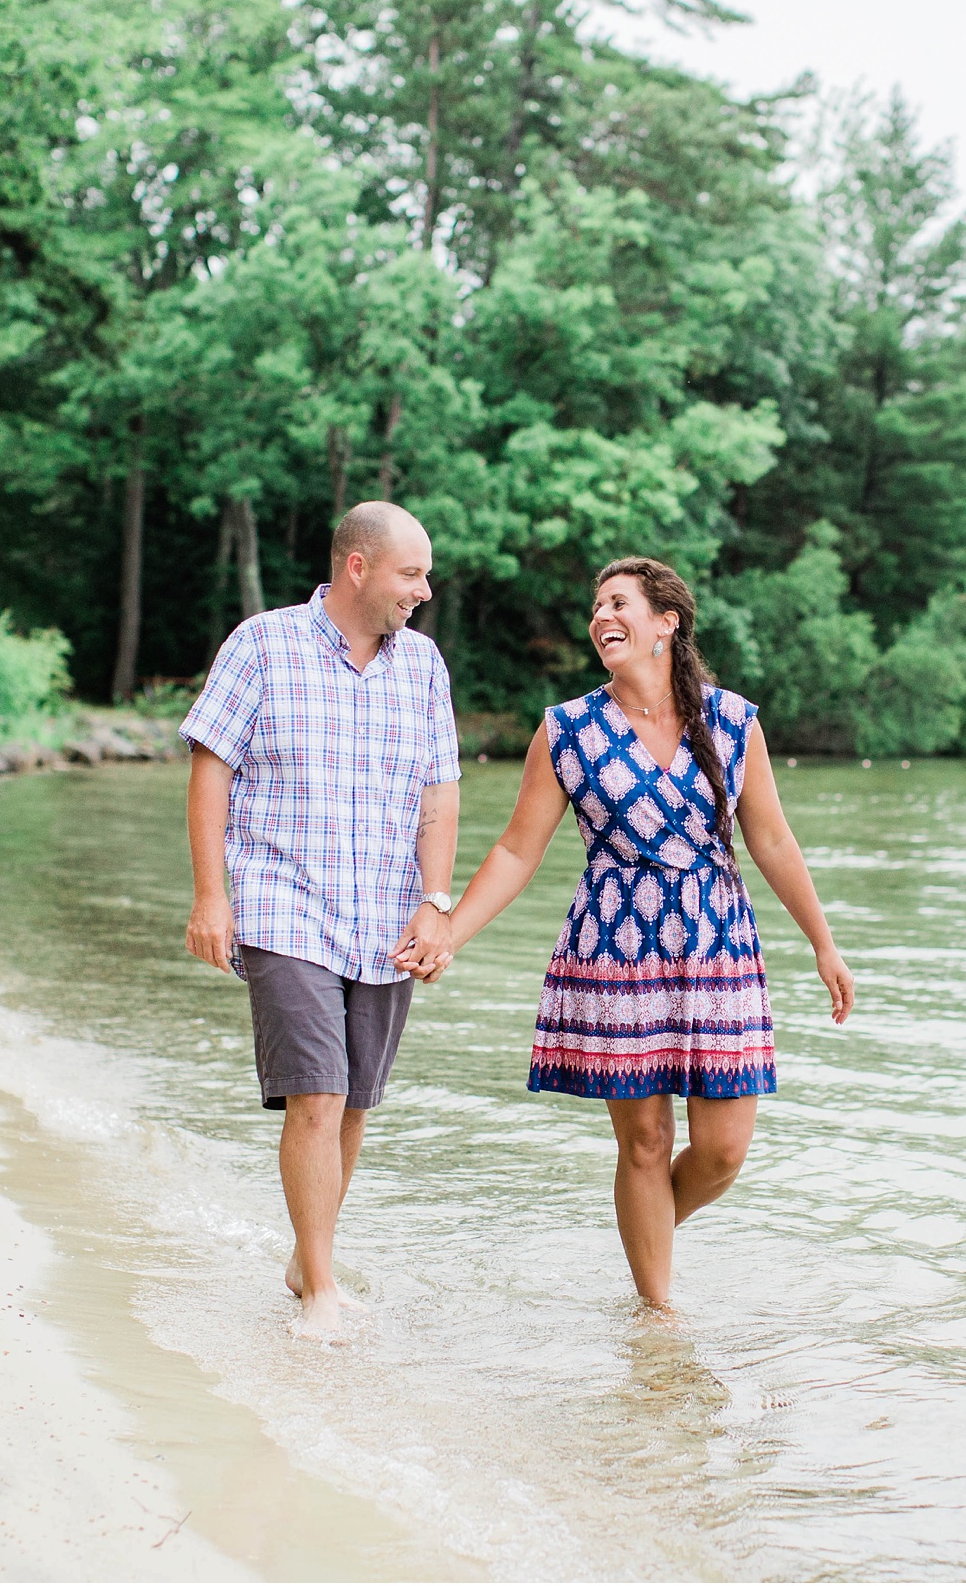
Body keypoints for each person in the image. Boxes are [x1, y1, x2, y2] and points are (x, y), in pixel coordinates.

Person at [400, 556, 854, 1309]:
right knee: (643, 1144)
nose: (600, 617)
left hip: (718, 949)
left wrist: (824, 942)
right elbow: (518, 849)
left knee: (722, 1151)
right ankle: (658, 1316)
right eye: (595, 606)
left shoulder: (734, 720)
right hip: (616, 948)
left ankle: (642, 1238)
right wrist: (450, 927)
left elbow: (772, 839)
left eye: (618, 603)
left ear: (666, 622)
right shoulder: (567, 729)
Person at [181, 501, 461, 1343]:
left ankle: (310, 1257)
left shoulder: (423, 665)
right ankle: (321, 1292)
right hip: (282, 899)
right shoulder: (261, 644)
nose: (425, 590)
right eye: (413, 573)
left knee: (354, 1106)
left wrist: (435, 900)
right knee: (319, 1090)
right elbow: (209, 770)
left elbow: (439, 791)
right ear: (358, 567)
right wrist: (210, 894)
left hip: (382, 914)